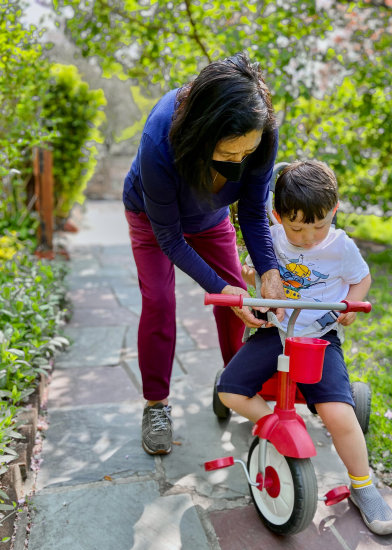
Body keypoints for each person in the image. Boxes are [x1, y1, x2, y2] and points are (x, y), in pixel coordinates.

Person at [217, 160, 392, 535]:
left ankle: (363, 486)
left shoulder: (340, 245)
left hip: (319, 335)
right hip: (275, 330)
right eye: (297, 227)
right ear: (277, 215)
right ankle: (272, 424)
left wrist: (351, 304)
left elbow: (361, 279)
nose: (308, 237)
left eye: (319, 225)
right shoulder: (269, 236)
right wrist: (250, 274)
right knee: (230, 389)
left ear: (333, 211)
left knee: (339, 413)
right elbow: (254, 270)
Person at [123, 53, 285, 457]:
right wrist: (218, 287)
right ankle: (155, 405)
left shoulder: (259, 130)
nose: (240, 163)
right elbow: (170, 237)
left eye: (246, 154)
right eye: (229, 155)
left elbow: (251, 210)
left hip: (211, 218)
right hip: (153, 218)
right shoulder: (160, 139)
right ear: (201, 133)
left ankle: (238, 383)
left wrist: (268, 268)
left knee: (239, 304)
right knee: (159, 301)